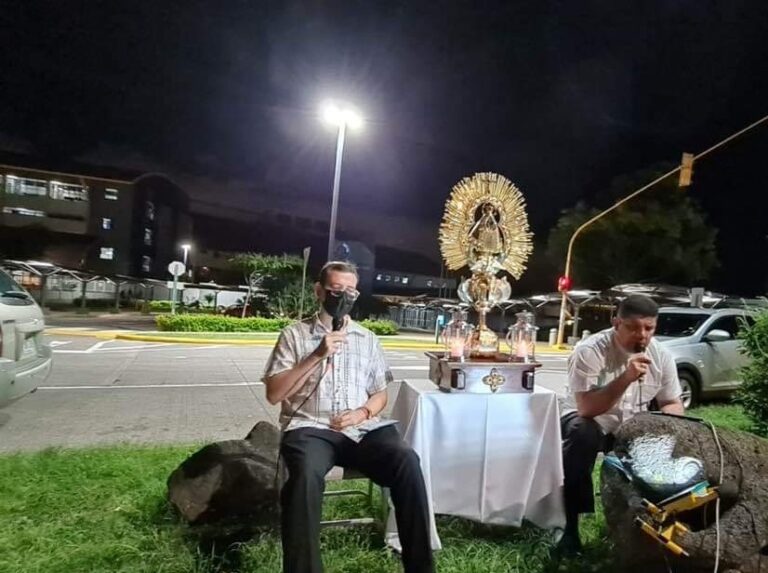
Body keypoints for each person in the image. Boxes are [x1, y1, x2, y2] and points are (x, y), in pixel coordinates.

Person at [263, 261, 434, 573]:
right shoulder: (294, 335)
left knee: (406, 459)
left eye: (350, 291)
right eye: (335, 290)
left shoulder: (367, 338)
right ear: (319, 291)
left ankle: (421, 567)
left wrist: (363, 412)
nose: (343, 297)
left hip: (361, 428)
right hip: (310, 427)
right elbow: (274, 394)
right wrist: (317, 355)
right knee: (303, 477)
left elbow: (380, 393)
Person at [558, 294, 684, 555]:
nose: (642, 335)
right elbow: (586, 408)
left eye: (649, 328)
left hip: (631, 425)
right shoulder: (590, 351)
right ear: (616, 323)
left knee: (662, 444)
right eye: (633, 327)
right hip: (588, 419)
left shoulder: (662, 356)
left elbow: (671, 401)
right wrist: (626, 377)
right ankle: (568, 527)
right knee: (583, 435)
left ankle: (644, 526)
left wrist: (667, 425)